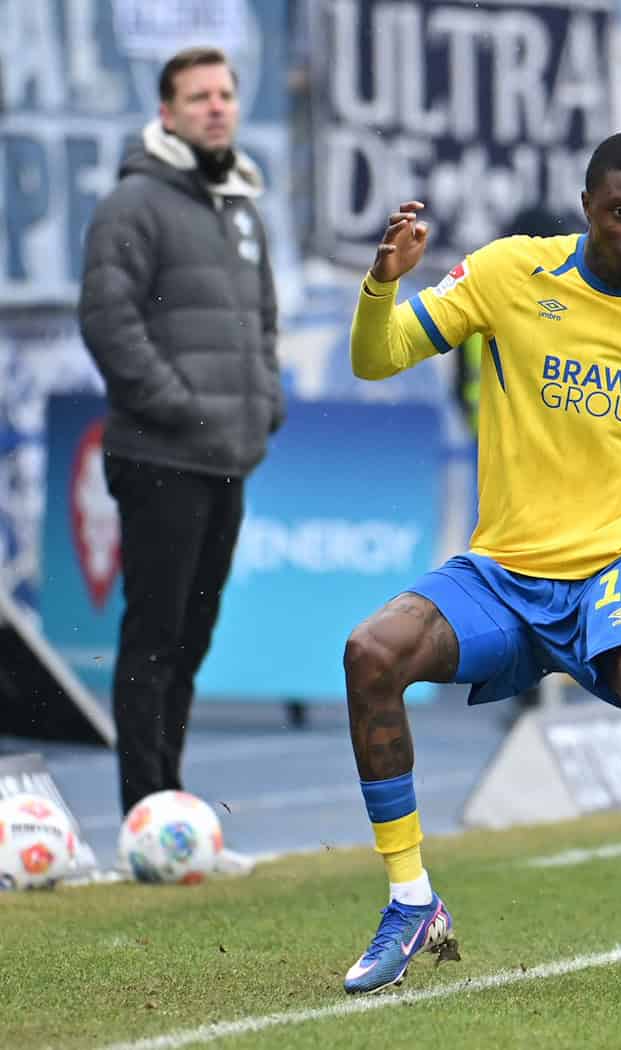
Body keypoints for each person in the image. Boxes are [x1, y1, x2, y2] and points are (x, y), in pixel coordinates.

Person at [340, 131, 621, 999]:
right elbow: (378, 356)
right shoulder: (511, 272)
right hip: (503, 575)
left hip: (617, 570)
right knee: (372, 653)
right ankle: (411, 901)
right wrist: (383, 285)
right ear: (587, 205)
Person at [78, 46, 282, 877]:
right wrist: (183, 408)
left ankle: (173, 817)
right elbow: (107, 321)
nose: (216, 107)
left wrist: (263, 405)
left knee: (190, 644)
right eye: (198, 97)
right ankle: (146, 823)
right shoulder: (132, 203)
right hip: (160, 455)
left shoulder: (242, 206)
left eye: (225, 94)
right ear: (166, 113)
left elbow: (262, 323)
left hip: (224, 459)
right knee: (154, 640)